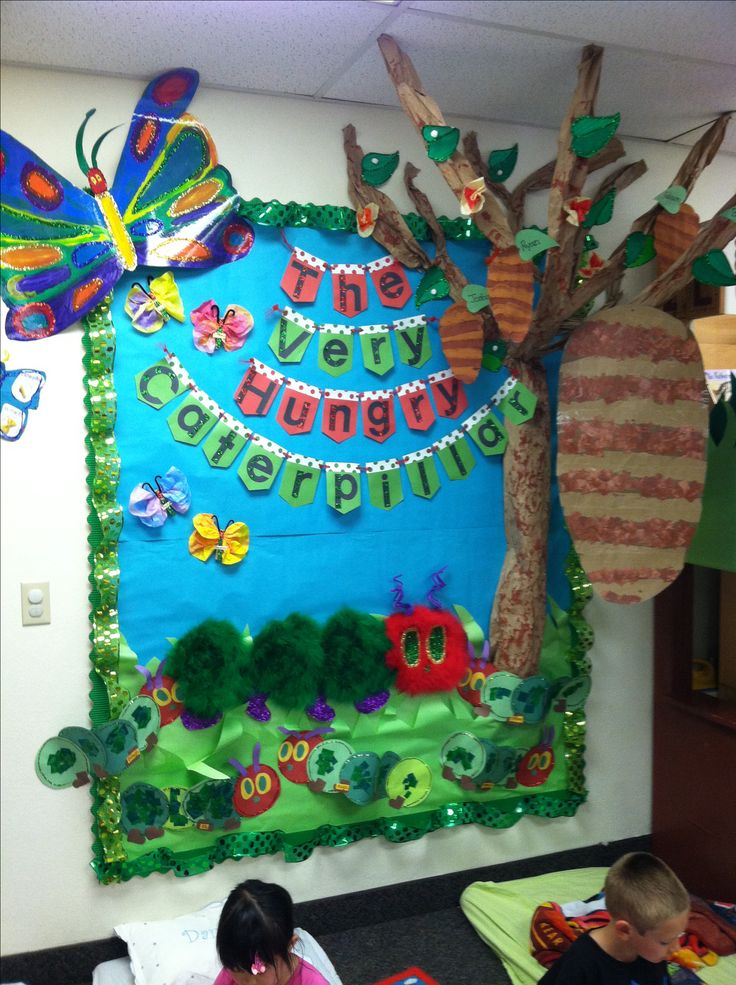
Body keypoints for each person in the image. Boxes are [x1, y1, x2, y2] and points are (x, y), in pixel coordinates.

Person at [538, 852, 691, 984]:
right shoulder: (581, 965)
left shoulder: (651, 952)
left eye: (679, 935)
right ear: (625, 931)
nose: (676, 948)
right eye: (665, 942)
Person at [214, 879, 340, 985]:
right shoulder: (240, 961)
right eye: (237, 969)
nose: (248, 983)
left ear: (289, 945)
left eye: (259, 971)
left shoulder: (311, 982)